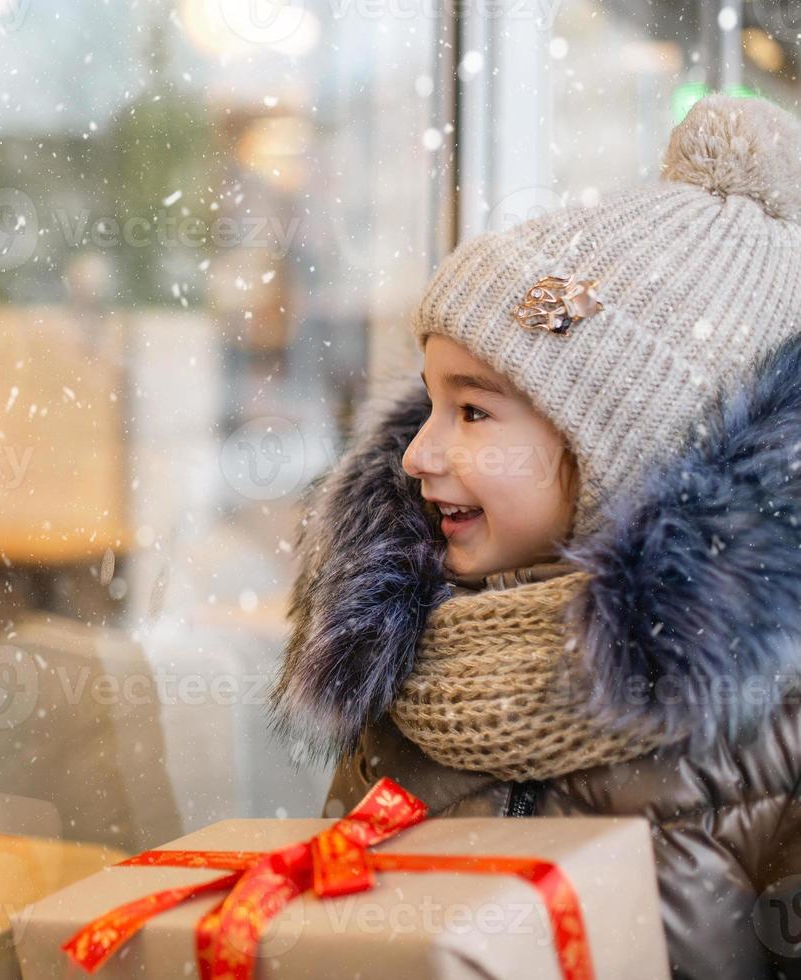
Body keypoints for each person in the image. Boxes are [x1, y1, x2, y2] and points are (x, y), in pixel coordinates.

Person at [271, 94, 801, 978]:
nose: (418, 455)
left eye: (474, 411)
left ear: (628, 443)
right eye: (431, 404)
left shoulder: (770, 719)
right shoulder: (408, 672)